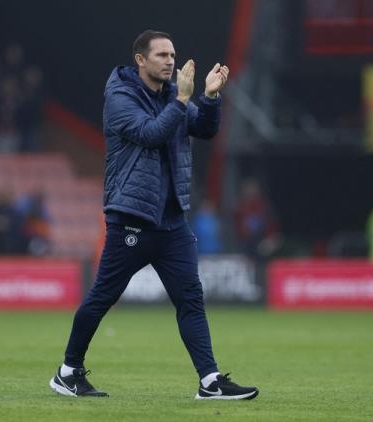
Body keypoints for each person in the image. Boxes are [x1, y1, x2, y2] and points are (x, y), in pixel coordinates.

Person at [49, 30, 258, 400]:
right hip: (132, 217)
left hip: (172, 221)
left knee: (190, 299)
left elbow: (204, 129)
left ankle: (210, 381)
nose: (170, 61)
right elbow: (150, 133)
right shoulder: (120, 96)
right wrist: (182, 98)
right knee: (102, 297)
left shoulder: (170, 94)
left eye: (173, 55)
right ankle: (68, 371)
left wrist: (209, 97)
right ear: (140, 60)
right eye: (162, 55)